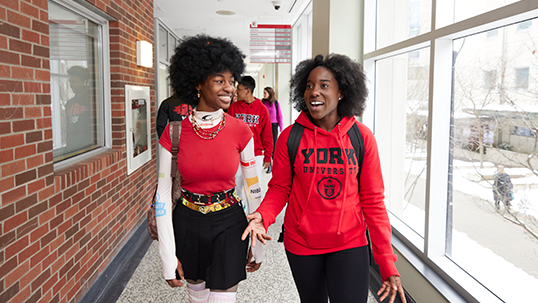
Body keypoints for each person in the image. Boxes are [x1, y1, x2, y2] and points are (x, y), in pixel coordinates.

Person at [242, 54, 406, 303]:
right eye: (309, 85)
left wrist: (386, 261)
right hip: (302, 244)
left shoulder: (361, 137)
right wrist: (263, 216)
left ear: (342, 92)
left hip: (350, 243)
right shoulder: (290, 137)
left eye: (324, 85)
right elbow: (279, 188)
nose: (314, 92)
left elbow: (373, 202)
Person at [156, 34, 264, 303]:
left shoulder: (242, 131)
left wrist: (259, 245)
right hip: (188, 223)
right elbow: (162, 196)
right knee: (197, 298)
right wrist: (167, 257)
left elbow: (253, 189)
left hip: (230, 223)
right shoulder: (174, 132)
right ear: (198, 84)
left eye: (231, 81)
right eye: (219, 81)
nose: (229, 88)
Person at [227, 76, 274, 177]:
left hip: (255, 156)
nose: (236, 92)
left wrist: (267, 156)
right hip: (237, 155)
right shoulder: (234, 108)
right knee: (237, 188)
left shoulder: (262, 109)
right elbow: (227, 132)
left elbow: (267, 135)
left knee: (252, 189)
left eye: (239, 89)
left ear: (247, 91)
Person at [65, 65, 93, 154]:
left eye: (75, 82)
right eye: (70, 82)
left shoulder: (93, 100)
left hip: (87, 149)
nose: (71, 85)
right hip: (71, 148)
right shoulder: (69, 103)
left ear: (84, 82)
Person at [262, 86, 284, 174]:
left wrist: (281, 127)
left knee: (274, 145)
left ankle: (275, 165)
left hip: (273, 125)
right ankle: (269, 165)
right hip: (264, 125)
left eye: (265, 93)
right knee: (267, 145)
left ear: (269, 93)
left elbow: (280, 115)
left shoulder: (275, 103)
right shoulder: (262, 102)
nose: (263, 94)